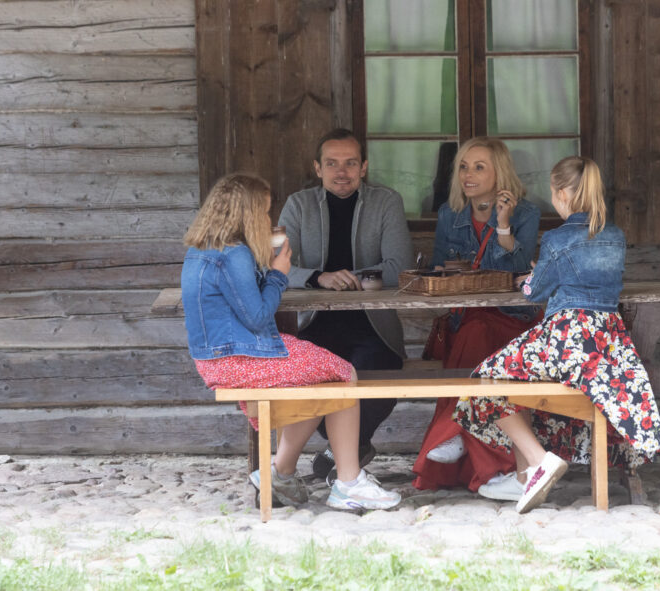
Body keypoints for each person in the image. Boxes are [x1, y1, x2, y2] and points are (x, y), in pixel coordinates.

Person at [453, 156, 660, 513]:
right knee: (514, 382)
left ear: (562, 194)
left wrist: (530, 278)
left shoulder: (556, 238)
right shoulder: (615, 237)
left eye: (553, 193)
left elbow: (535, 292)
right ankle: (526, 478)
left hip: (567, 341)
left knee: (487, 380)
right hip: (607, 344)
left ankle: (539, 461)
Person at [181, 173, 401, 511]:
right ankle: (348, 483)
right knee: (344, 373)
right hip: (241, 359)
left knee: (323, 377)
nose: (267, 219)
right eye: (264, 211)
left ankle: (281, 472)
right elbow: (257, 317)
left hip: (222, 358)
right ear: (247, 213)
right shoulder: (234, 254)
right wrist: (278, 274)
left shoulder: (201, 251)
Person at [277, 129, 415, 481]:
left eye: (351, 163)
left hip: (373, 325)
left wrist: (350, 277)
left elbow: (399, 266)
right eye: (332, 163)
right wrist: (318, 277)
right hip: (313, 325)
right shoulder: (299, 205)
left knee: (378, 373)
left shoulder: (385, 202)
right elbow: (276, 267)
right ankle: (350, 457)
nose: (342, 172)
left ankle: (348, 454)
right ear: (317, 168)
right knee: (310, 378)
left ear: (364, 167)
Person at [412, 137, 542, 497]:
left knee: (477, 335)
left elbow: (517, 270)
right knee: (474, 332)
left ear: (500, 172)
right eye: (464, 167)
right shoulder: (449, 214)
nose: (468, 175)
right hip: (466, 318)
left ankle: (454, 428)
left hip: (512, 319)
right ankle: (491, 467)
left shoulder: (525, 213)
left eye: (479, 167)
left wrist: (502, 224)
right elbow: (440, 266)